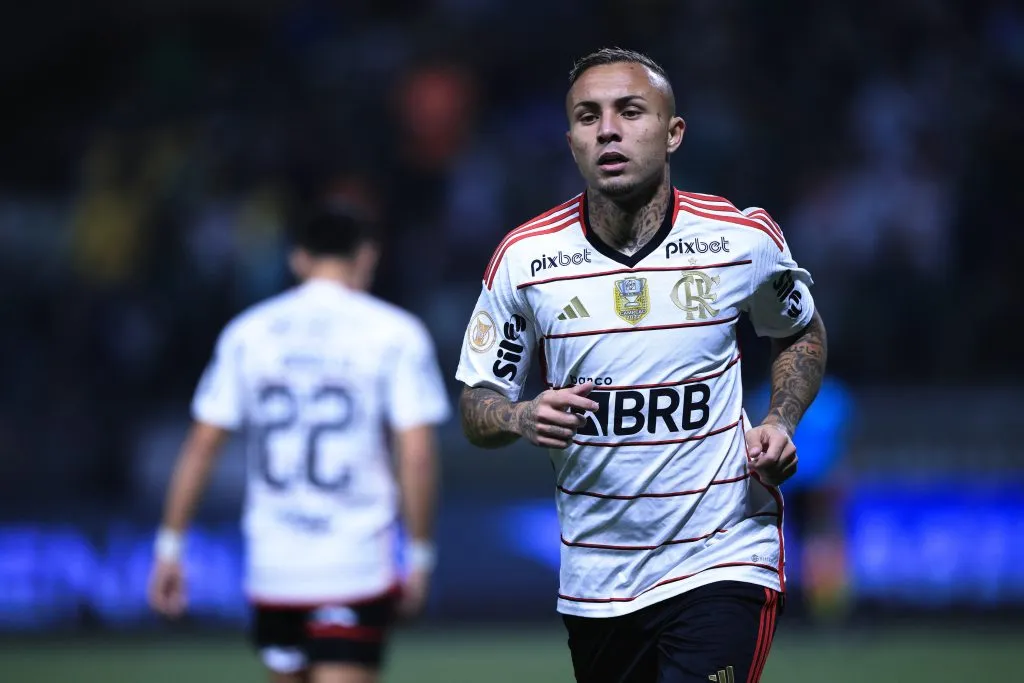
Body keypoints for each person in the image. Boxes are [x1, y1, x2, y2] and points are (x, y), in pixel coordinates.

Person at [455, 48, 827, 683]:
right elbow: (475, 403)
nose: (608, 129)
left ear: (673, 132)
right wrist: (519, 414)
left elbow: (800, 333)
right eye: (588, 116)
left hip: (724, 557)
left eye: (630, 111)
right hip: (596, 581)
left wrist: (781, 418)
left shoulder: (740, 241)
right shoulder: (524, 259)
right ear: (569, 137)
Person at [148, 203, 451, 683]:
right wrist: (419, 555)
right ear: (366, 257)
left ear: (298, 259)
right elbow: (415, 453)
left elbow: (203, 444)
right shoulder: (394, 333)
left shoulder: (248, 332)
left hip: (274, 563)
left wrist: (170, 547)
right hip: (353, 562)